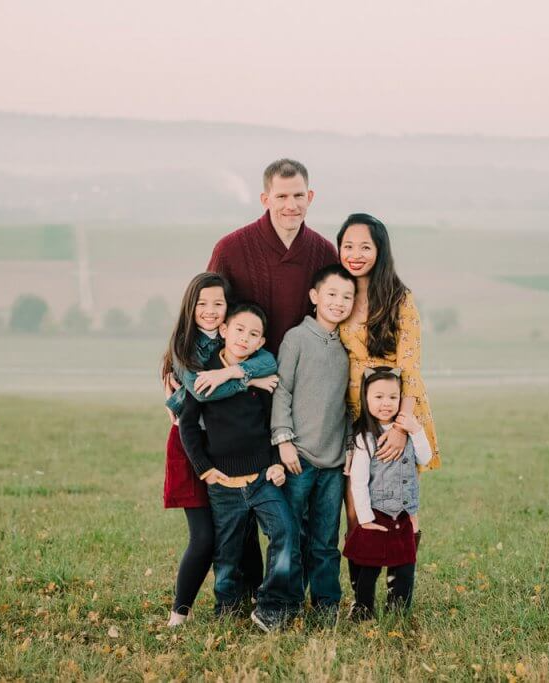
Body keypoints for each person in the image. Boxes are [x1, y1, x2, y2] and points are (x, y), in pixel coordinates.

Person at [161, 273, 280, 627]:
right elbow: (200, 391)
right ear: (190, 307)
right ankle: (179, 612)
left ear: (228, 313)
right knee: (205, 536)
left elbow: (268, 362)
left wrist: (234, 373)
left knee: (241, 528)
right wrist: (248, 380)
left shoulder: (231, 339)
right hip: (191, 448)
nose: (210, 312)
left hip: (226, 448)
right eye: (202, 304)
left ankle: (249, 595)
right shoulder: (183, 348)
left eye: (218, 304)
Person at [178, 303, 301, 633]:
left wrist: (277, 464)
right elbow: (187, 426)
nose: (245, 338)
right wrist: (204, 469)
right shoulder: (202, 375)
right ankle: (227, 606)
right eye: (239, 330)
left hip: (262, 477)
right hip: (223, 484)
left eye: (254, 334)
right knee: (227, 552)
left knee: (285, 531)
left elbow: (274, 423)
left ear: (261, 343)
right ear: (224, 331)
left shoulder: (262, 377)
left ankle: (271, 603)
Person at [336, 213, 441, 588]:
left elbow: (410, 365)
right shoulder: (339, 294)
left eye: (365, 246)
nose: (356, 254)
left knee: (400, 504)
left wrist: (401, 427)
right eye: (348, 246)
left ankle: (400, 589)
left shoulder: (399, 298)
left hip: (397, 411)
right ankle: (360, 598)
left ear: (380, 251)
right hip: (353, 416)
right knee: (356, 505)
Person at [271, 264, 356, 616]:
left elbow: (349, 404)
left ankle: (326, 606)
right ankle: (281, 604)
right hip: (298, 456)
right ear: (314, 297)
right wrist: (283, 439)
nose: (339, 302)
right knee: (290, 536)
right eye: (332, 294)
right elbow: (282, 389)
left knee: (325, 540)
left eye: (347, 296)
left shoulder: (348, 348)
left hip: (334, 462)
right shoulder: (296, 338)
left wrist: (350, 447)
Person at [207, 159, 338, 355]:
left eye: (298, 195)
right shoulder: (229, 249)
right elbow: (204, 310)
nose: (291, 205)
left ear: (310, 197)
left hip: (304, 375)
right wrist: (175, 360)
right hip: (244, 374)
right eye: (282, 196)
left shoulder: (326, 253)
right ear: (265, 199)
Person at [343, 366, 433, 619]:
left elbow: (424, 457)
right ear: (366, 399)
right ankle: (363, 608)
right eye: (379, 397)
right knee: (369, 566)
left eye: (393, 397)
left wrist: (415, 430)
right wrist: (365, 519)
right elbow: (358, 481)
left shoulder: (406, 432)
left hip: (403, 512)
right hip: (376, 512)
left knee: (404, 563)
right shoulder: (365, 437)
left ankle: (398, 610)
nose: (386, 403)